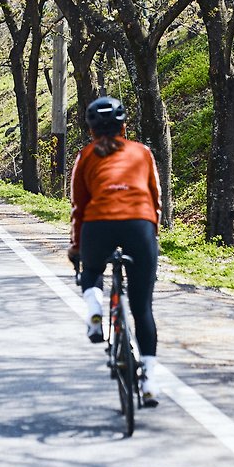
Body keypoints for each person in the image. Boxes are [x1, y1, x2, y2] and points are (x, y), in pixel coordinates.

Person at [67, 96, 163, 405]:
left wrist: (76, 247)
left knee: (92, 270)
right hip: (139, 225)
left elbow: (78, 207)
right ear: (124, 126)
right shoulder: (142, 152)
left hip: (99, 224)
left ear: (91, 129)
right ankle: (149, 380)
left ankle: (95, 308)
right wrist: (150, 237)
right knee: (142, 308)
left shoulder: (85, 156)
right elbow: (155, 199)